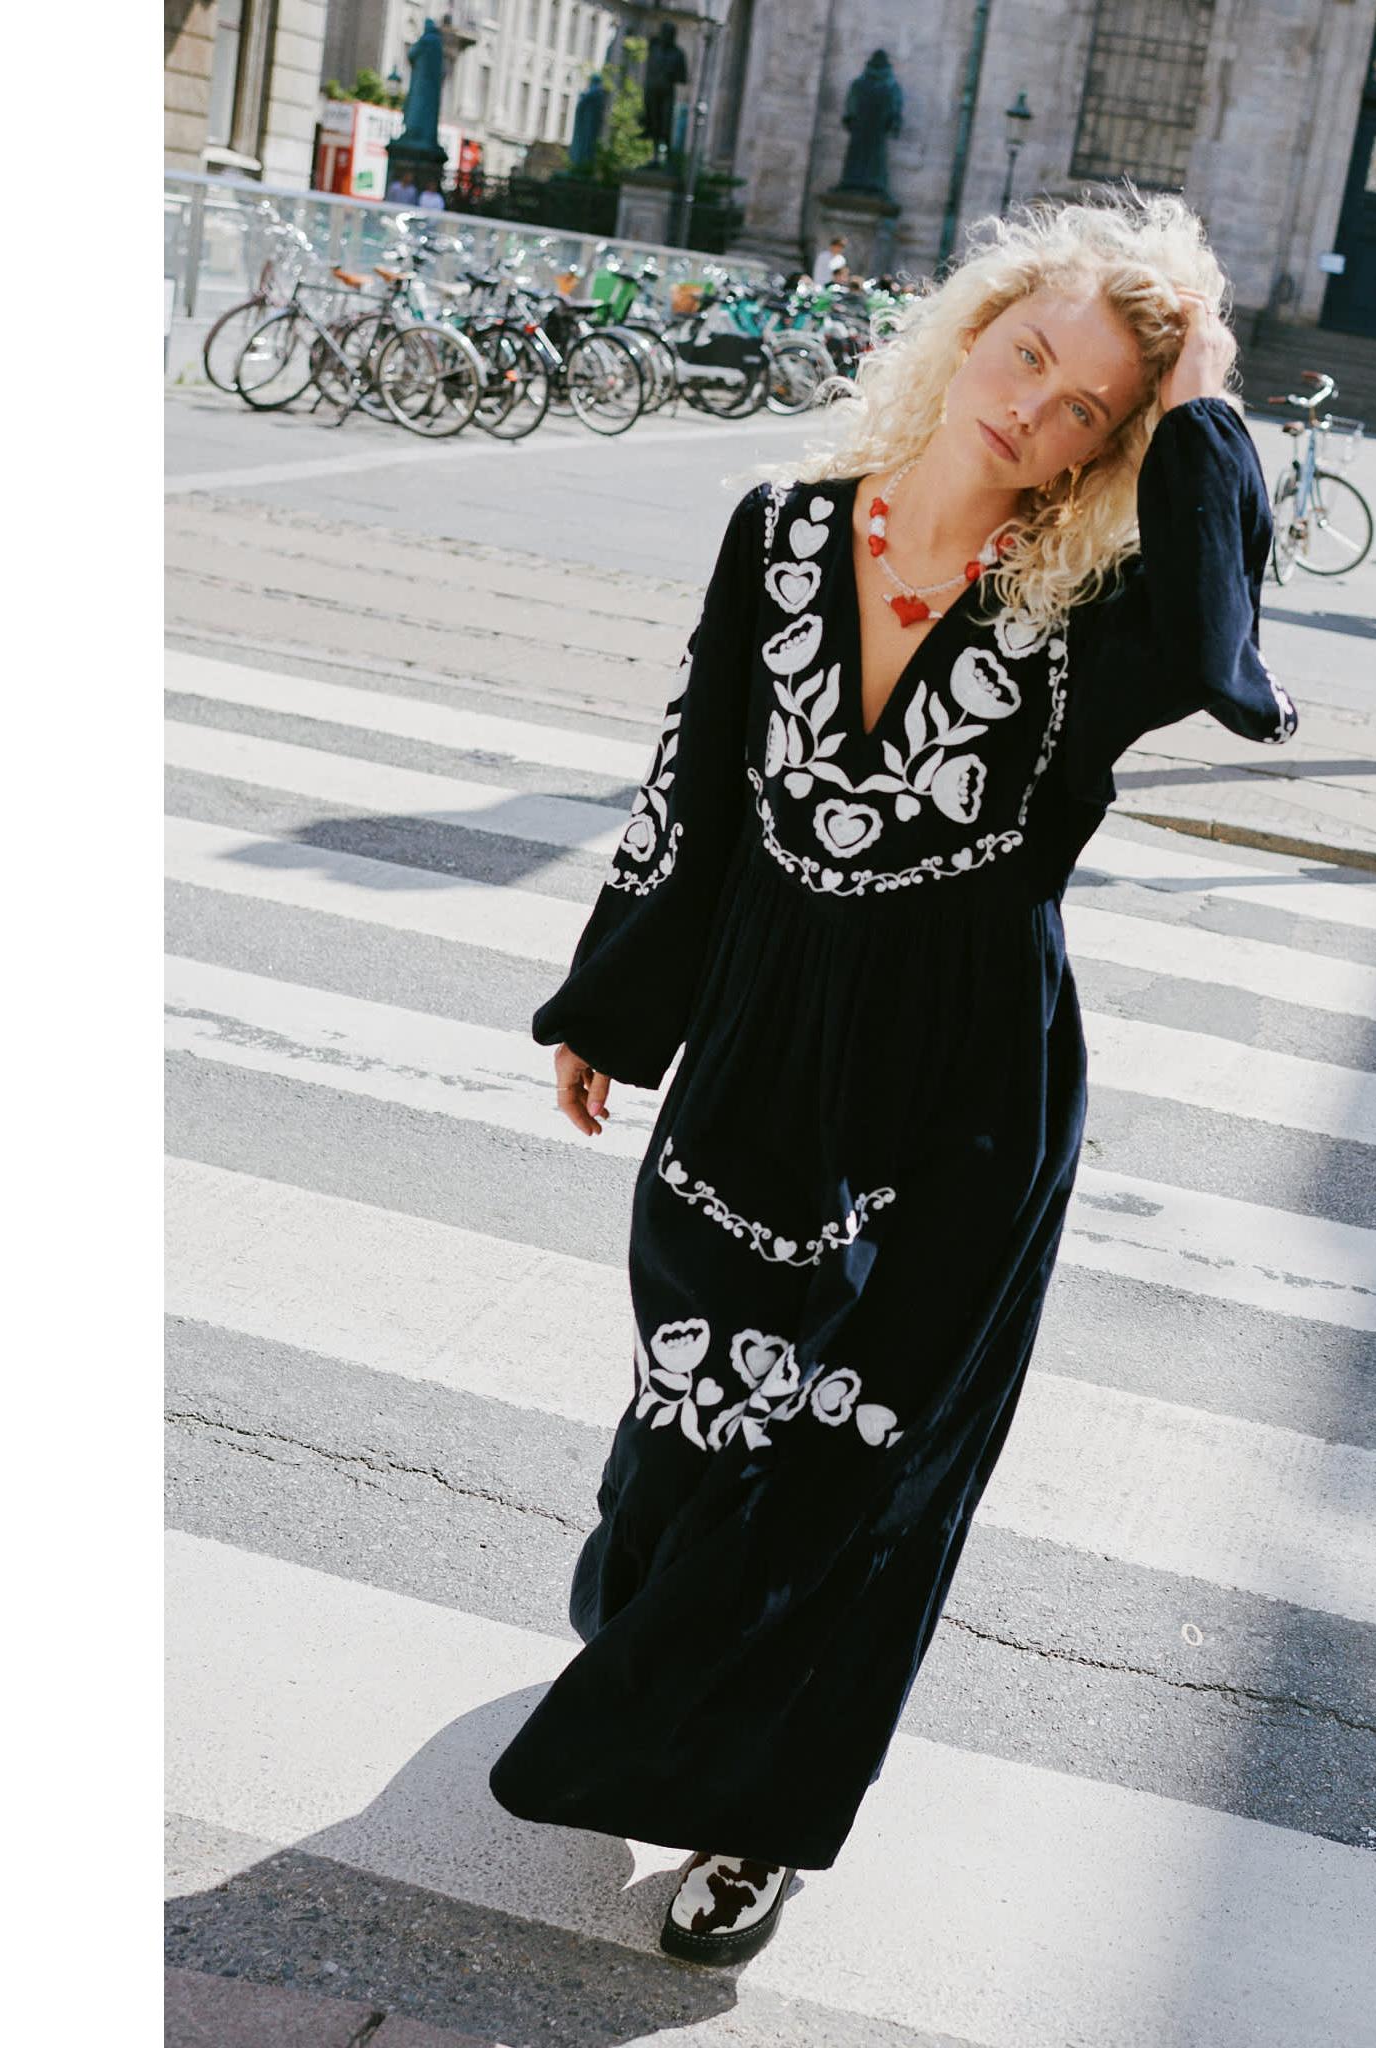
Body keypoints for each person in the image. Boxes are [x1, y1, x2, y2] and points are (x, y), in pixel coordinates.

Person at [487, 188, 1298, 1969]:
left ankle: (761, 1823)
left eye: (1088, 408)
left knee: (859, 1466)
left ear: (1113, 446)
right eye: (1028, 355)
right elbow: (693, 789)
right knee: (699, 1410)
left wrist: (1195, 402)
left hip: (963, 1097)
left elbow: (1222, 627)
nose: (1034, 408)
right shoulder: (781, 531)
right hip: (759, 1059)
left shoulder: (1095, 614)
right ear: (967, 329)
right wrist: (610, 1007)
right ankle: (655, 1652)